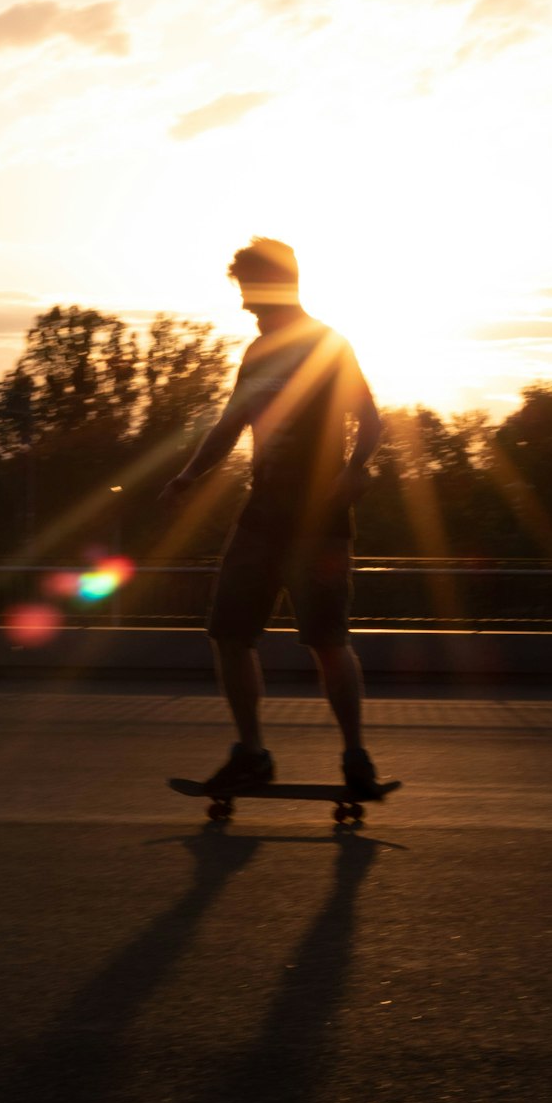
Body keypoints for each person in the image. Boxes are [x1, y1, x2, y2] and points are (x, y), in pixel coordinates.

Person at [159, 237, 388, 798]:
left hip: (320, 523)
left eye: (249, 292)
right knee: (230, 634)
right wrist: (190, 476)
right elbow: (230, 425)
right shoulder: (257, 355)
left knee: (327, 640)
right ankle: (252, 755)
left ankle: (356, 758)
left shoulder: (328, 345)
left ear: (278, 285)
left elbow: (371, 421)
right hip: (261, 514)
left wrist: (354, 469)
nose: (244, 306)